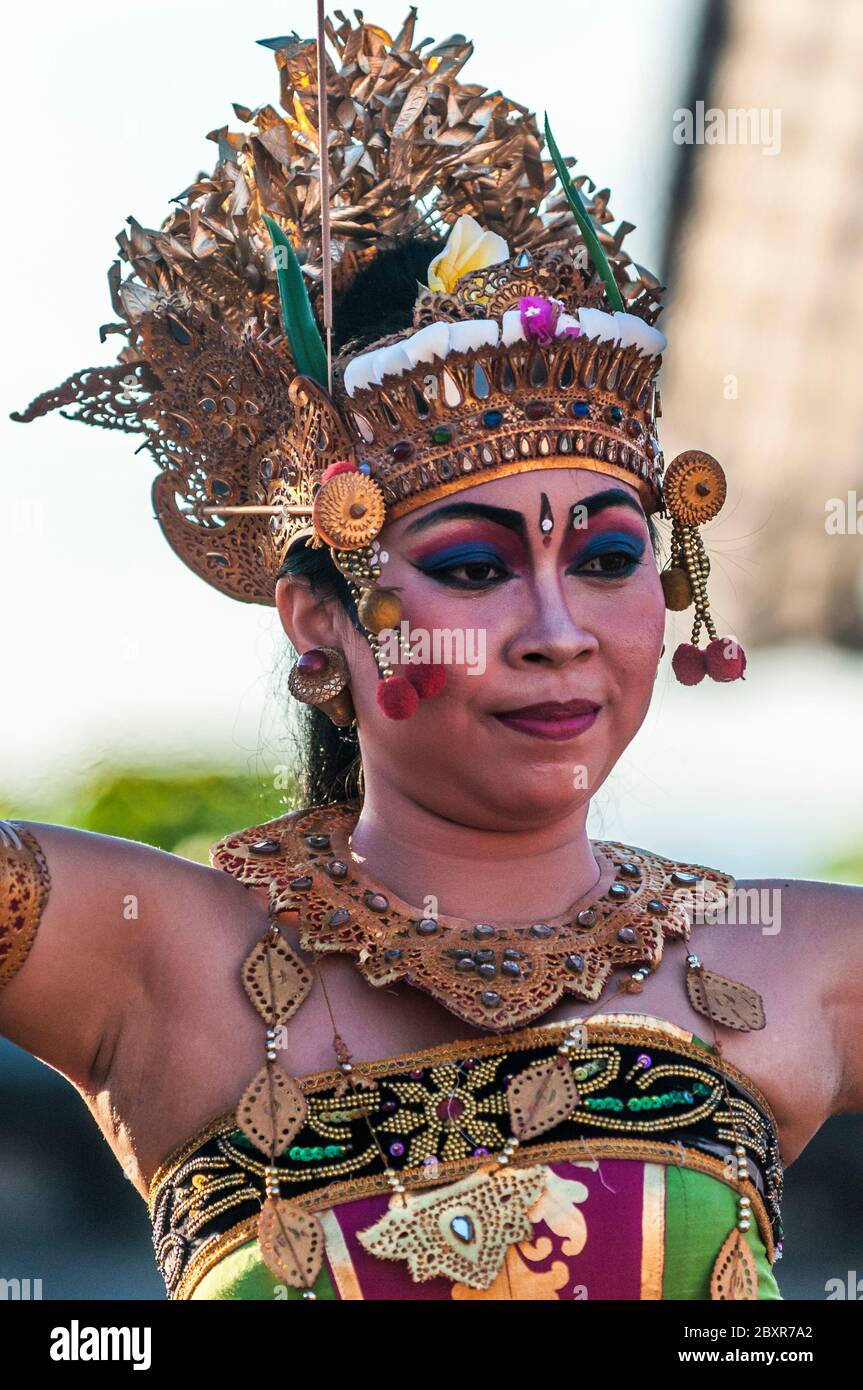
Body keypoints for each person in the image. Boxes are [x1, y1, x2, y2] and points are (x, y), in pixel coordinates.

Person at [3, 9, 861, 1301]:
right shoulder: (142, 951)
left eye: (610, 554)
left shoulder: (796, 963)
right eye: (472, 566)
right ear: (318, 621)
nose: (559, 626)